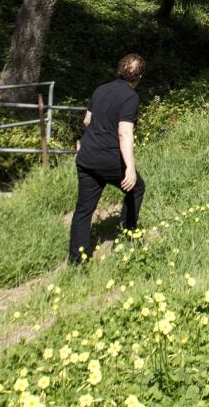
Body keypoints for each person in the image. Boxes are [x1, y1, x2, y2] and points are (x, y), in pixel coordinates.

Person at [69, 53, 146, 265]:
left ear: (119, 70)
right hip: (109, 159)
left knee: (84, 209)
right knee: (136, 187)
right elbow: (124, 133)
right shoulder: (131, 97)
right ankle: (126, 239)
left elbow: (87, 121)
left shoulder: (100, 89)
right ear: (138, 76)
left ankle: (76, 261)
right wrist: (130, 167)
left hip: (86, 157)